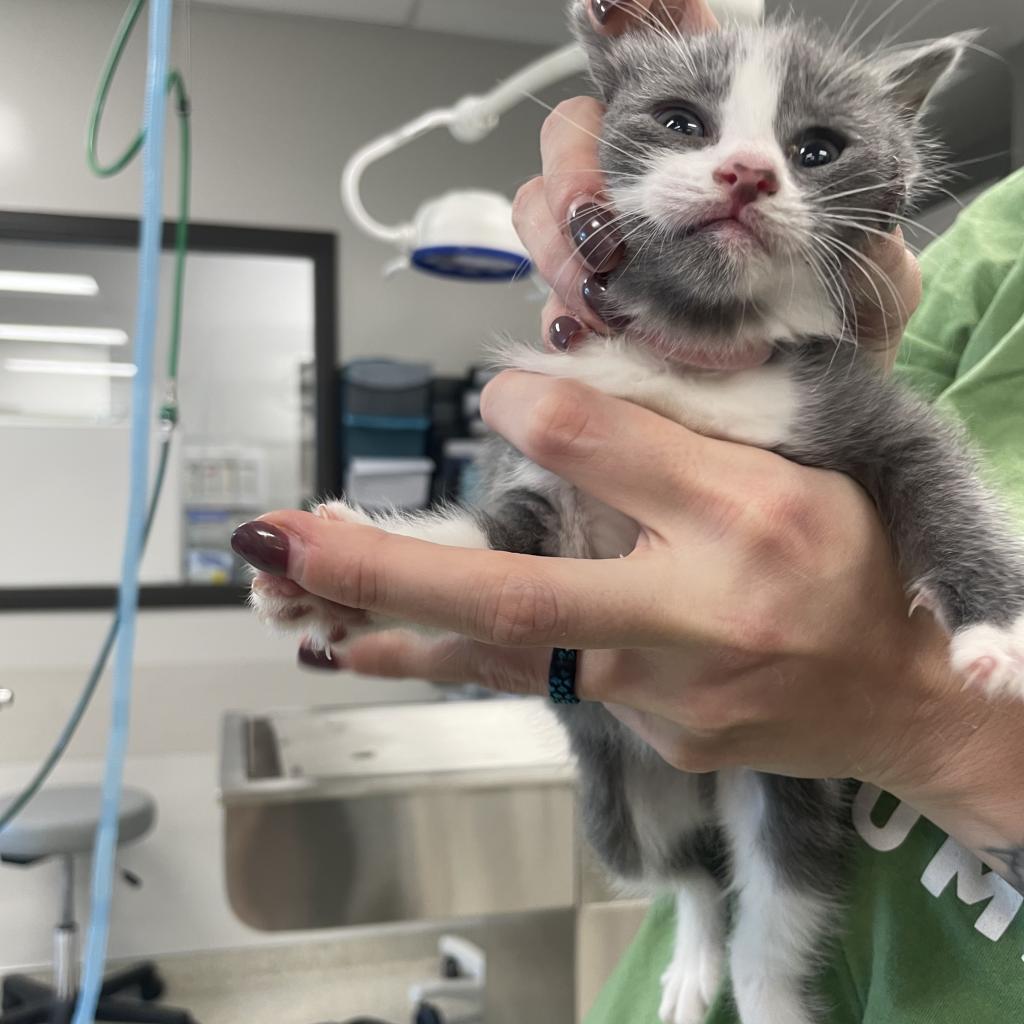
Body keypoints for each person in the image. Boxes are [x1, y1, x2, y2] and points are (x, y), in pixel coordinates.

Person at [233, 2, 1024, 1019]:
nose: (748, 168)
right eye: (688, 125)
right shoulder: (991, 257)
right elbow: (529, 541)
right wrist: (382, 568)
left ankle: (769, 970)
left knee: (777, 819)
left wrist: (941, 723)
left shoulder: (827, 374)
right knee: (632, 821)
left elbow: (917, 462)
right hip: (645, 931)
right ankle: (698, 909)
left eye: (815, 147)